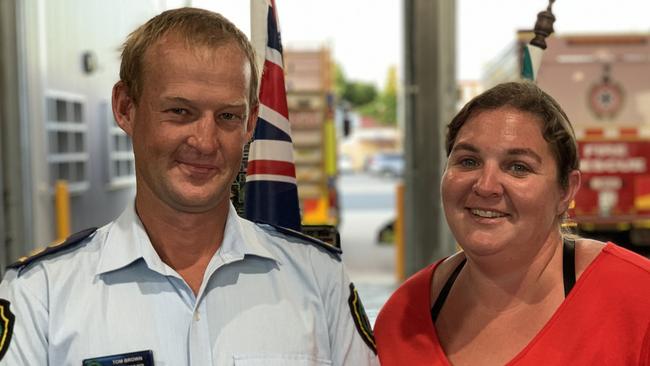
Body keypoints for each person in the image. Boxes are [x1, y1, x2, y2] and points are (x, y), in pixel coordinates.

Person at [0, 8, 378, 365]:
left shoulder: (319, 279)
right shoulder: (41, 293)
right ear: (125, 108)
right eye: (180, 112)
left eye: (228, 116)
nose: (205, 141)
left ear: (250, 125)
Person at [374, 81, 650, 365]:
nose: (486, 185)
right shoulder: (402, 319)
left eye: (518, 167)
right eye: (468, 161)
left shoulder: (639, 300)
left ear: (565, 190)